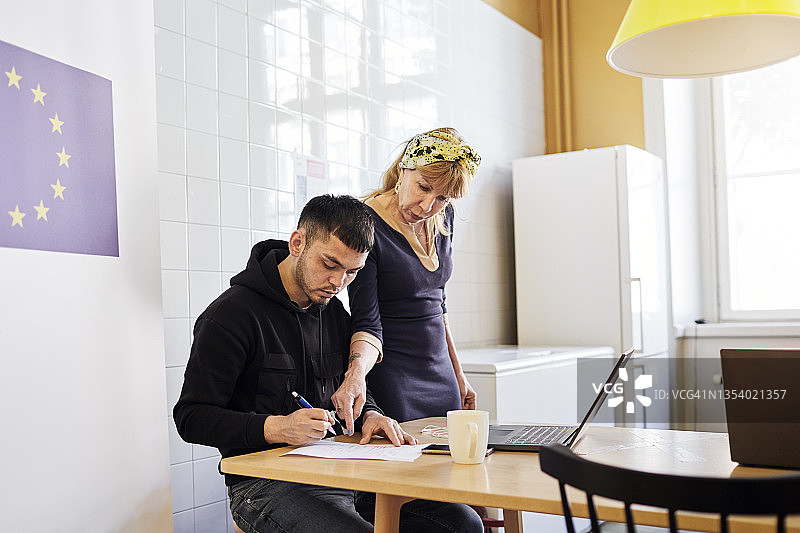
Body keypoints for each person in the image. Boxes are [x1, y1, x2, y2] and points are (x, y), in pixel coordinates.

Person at [173, 194, 483, 533]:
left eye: (352, 272)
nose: (339, 282)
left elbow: (348, 388)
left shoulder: (332, 311)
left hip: (340, 470)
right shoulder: (230, 316)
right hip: (264, 485)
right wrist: (277, 427)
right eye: (330, 264)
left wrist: (372, 415)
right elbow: (191, 418)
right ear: (297, 243)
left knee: (461, 522)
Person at [331, 128, 481, 429]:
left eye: (442, 197)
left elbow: (438, 304)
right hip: (394, 377)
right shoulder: (366, 225)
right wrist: (356, 373)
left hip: (442, 374)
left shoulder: (443, 217)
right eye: (423, 187)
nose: (428, 207)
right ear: (404, 169)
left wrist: (459, 374)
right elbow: (365, 320)